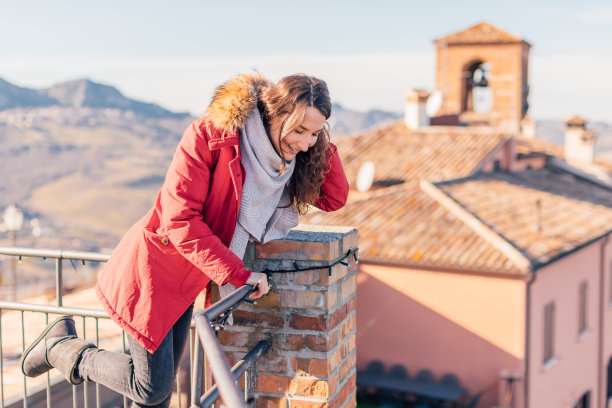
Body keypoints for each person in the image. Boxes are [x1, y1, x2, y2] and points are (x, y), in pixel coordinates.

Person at [20, 73, 349, 407]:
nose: (305, 142)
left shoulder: (287, 160)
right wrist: (238, 273)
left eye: (314, 132)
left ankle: (61, 346)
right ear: (273, 112)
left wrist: (319, 142)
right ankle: (60, 346)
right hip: (157, 271)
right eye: (299, 129)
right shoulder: (211, 135)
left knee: (155, 399)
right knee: (151, 389)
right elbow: (179, 220)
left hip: (190, 278)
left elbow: (333, 199)